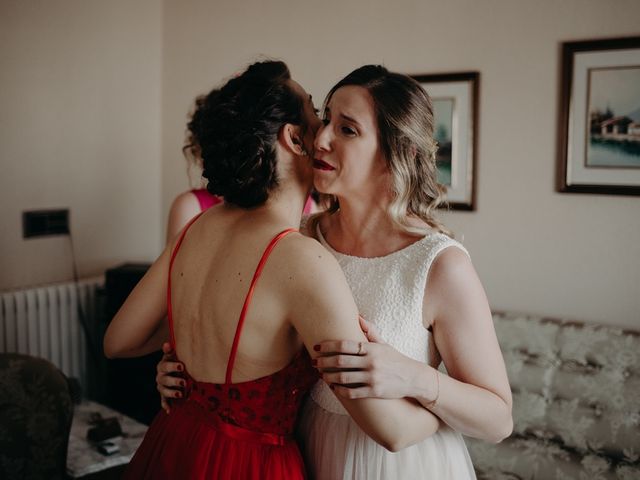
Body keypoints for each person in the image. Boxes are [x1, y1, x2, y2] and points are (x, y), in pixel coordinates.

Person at [156, 64, 512, 479]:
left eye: (347, 130)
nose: (320, 139)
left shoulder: (438, 265)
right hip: (305, 452)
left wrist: (415, 379)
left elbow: (499, 419)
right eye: (324, 119)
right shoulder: (297, 240)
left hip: (399, 464)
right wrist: (191, 383)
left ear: (398, 152)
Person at [104, 60, 441, 480]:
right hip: (247, 462)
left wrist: (184, 355)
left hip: (175, 440)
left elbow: (118, 341)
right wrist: (444, 418)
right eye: (316, 112)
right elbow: (389, 430)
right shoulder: (300, 258)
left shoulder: (201, 224)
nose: (324, 131)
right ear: (295, 139)